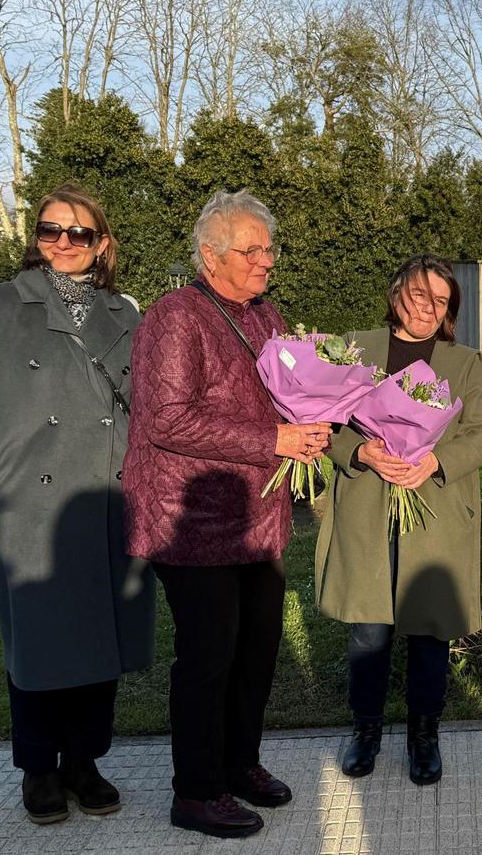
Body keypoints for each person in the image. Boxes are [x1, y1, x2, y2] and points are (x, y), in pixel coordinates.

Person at [124, 190, 331, 839]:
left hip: (257, 519)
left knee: (256, 652)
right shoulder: (174, 317)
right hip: (193, 521)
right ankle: (196, 792)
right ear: (210, 256)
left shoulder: (266, 315)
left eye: (269, 248)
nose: (266, 260)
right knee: (209, 657)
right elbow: (167, 420)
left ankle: (240, 765)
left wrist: (314, 415)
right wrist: (275, 439)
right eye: (251, 250)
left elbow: (289, 391)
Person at [0, 185, 154, 824]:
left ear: (101, 244)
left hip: (106, 493)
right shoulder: (2, 305)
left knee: (98, 634)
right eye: (49, 230)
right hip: (30, 498)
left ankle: (84, 761)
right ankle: (38, 767)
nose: (62, 243)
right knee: (39, 640)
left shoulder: (125, 313)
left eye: (78, 233)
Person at [315, 255, 482, 785]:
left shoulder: (464, 362)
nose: (428, 308)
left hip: (434, 509)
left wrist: (434, 461)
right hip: (367, 509)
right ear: (397, 294)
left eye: (440, 301)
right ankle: (366, 730)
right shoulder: (356, 349)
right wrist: (360, 452)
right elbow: (325, 422)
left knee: (429, 630)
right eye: (420, 295)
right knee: (369, 630)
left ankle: (424, 736)